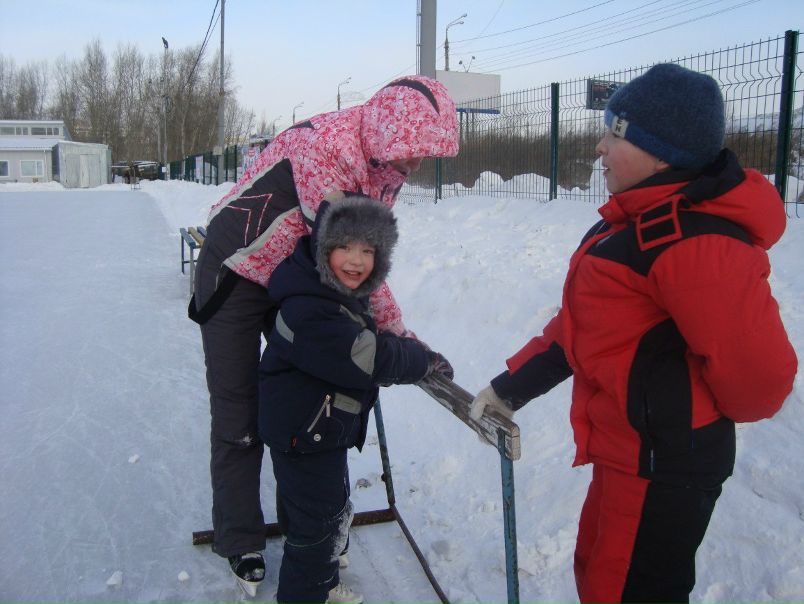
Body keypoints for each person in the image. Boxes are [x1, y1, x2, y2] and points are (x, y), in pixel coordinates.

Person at [469, 63, 797, 604]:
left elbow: (759, 381)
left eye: (612, 134)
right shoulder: (628, 226)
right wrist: (511, 387)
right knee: (600, 575)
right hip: (627, 456)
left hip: (664, 466)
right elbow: (584, 328)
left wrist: (670, 410)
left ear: (660, 153)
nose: (598, 147)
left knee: (630, 592)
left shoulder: (692, 243)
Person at [189, 75, 459, 593]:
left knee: (306, 390)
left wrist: (400, 336)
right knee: (239, 409)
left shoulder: (387, 160)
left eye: (425, 153)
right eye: (412, 150)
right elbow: (340, 254)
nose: (417, 163)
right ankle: (241, 536)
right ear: (386, 130)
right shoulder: (325, 150)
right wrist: (400, 340)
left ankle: (307, 526)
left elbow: (363, 260)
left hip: (293, 270)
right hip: (239, 268)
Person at [258, 195, 453, 604]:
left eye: (368, 250)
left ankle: (320, 579)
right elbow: (366, 356)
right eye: (345, 246)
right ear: (323, 247)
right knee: (319, 525)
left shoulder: (326, 290)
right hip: (306, 432)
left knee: (310, 513)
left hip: (309, 428)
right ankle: (306, 592)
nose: (355, 260)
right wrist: (422, 359)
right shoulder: (310, 305)